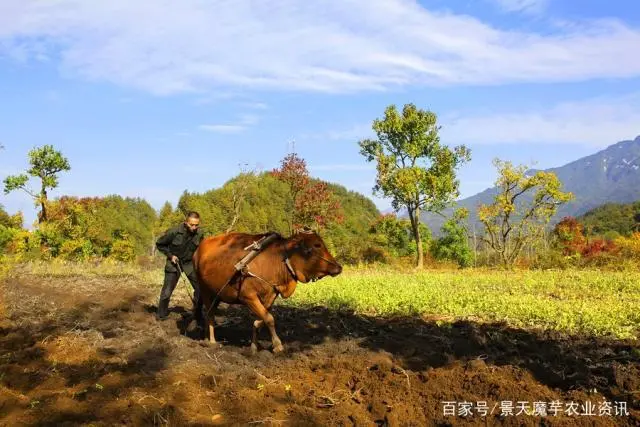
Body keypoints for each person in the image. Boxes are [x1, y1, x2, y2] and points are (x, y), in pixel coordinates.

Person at [155, 211, 205, 327]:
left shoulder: (200, 234)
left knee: (200, 288)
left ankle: (197, 314)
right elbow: (160, 244)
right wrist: (170, 256)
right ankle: (161, 315)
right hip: (174, 264)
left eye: (196, 225)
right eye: (191, 225)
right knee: (167, 292)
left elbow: (201, 249)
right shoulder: (174, 231)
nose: (194, 227)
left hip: (189, 264)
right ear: (185, 222)